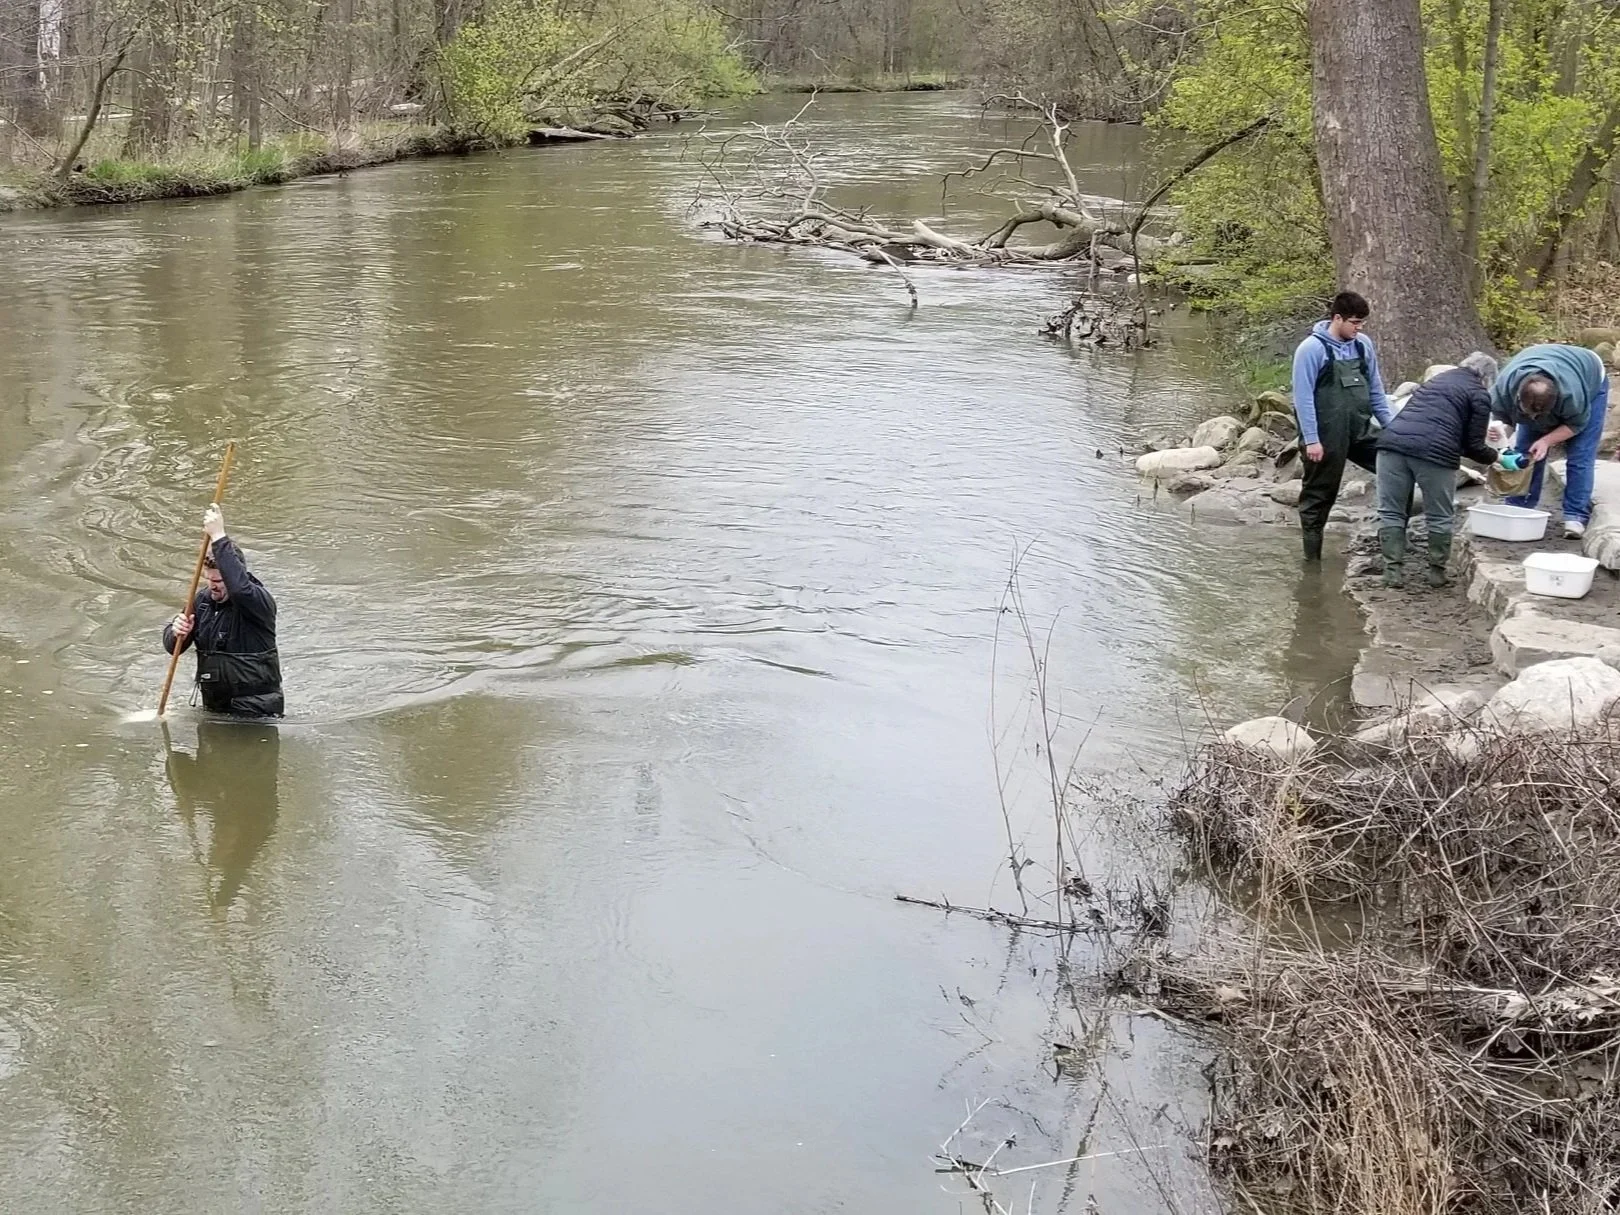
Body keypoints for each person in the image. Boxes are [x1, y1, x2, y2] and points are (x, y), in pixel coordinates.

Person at [1374, 352, 1500, 589]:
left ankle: (1392, 573)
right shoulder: (1480, 394)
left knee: (1391, 511)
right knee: (1440, 515)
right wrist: (1497, 457)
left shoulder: (1435, 382)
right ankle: (1436, 573)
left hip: (1391, 446)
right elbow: (1473, 446)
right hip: (1434, 455)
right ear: (1487, 378)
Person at [1291, 291, 1395, 561]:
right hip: (1325, 436)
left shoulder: (1362, 345)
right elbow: (1302, 399)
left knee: (1396, 465)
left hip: (1360, 430)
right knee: (1318, 497)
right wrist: (1312, 440)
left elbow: (1376, 390)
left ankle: (1393, 542)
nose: (1359, 328)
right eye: (1355, 323)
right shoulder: (1311, 350)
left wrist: (1394, 429)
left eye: (1362, 324)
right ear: (1337, 318)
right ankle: (1311, 560)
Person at [162, 504, 283, 716]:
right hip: (215, 707)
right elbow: (174, 648)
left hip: (255, 710)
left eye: (219, 580)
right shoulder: (202, 601)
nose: (213, 586)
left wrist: (218, 535)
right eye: (208, 580)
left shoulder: (257, 601)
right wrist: (177, 630)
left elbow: (239, 589)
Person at [1491, 342, 1611, 538]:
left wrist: (1546, 441)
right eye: (1530, 415)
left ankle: (1575, 516)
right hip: (1541, 365)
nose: (1536, 421)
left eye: (1542, 416)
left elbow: (1576, 425)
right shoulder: (1504, 388)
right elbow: (1505, 420)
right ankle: (1519, 507)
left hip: (1590, 376)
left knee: (1580, 455)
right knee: (1525, 451)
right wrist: (1501, 432)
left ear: (1556, 402)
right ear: (1518, 399)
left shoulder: (1572, 395)